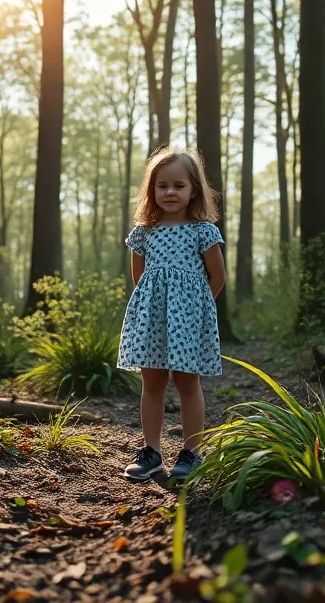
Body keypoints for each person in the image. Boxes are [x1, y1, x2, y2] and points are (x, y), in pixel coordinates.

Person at [118, 146, 226, 482]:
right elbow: (140, 277)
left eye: (179, 185)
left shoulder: (201, 231)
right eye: (162, 185)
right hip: (152, 317)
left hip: (189, 319)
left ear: (194, 190)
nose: (170, 192)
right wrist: (155, 308)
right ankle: (151, 452)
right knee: (152, 382)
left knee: (187, 382)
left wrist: (196, 312)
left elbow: (218, 277)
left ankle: (192, 452)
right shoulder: (144, 232)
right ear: (152, 190)